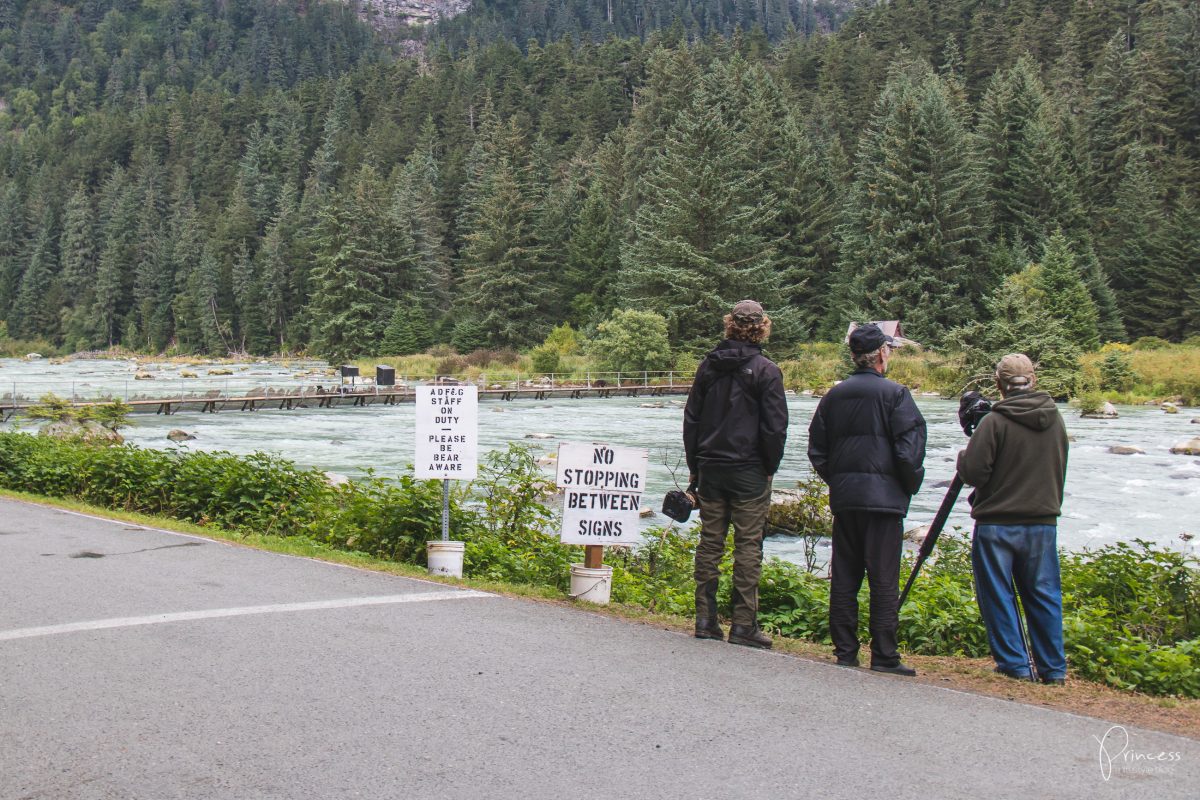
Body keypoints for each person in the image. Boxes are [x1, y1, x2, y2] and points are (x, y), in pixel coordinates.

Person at [807, 323, 926, 675]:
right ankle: (885, 654)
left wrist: (839, 479)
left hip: (847, 498)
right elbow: (910, 451)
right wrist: (906, 485)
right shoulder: (897, 395)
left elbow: (817, 449)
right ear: (882, 355)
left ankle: (845, 650)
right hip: (885, 501)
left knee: (845, 575)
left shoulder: (833, 395)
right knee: (883, 577)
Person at [957, 354, 1069, 685]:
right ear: (1034, 380)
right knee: (1044, 594)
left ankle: (1015, 664)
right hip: (1043, 520)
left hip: (998, 521)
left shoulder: (995, 422)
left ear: (998, 385)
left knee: (997, 594)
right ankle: (1053, 669)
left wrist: (965, 455)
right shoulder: (1055, 419)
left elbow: (974, 472)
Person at [684, 300, 788, 649]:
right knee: (748, 546)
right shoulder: (766, 370)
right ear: (762, 327)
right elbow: (775, 428)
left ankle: (705, 619)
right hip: (749, 470)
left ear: (729, 325)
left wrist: (694, 468)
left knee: (710, 543)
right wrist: (769, 467)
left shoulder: (707, 367)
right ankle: (743, 624)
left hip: (711, 466)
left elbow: (692, 421)